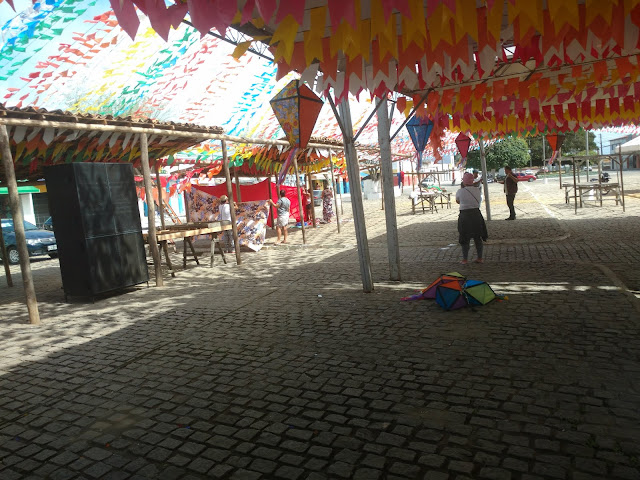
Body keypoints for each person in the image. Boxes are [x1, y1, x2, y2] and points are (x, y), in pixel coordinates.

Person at [456, 172, 488, 264]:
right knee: (477, 237)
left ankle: (465, 259)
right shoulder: (477, 190)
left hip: (465, 216)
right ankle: (480, 258)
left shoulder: (460, 191)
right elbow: (479, 200)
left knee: (465, 237)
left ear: (464, 181)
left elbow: (458, 201)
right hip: (476, 215)